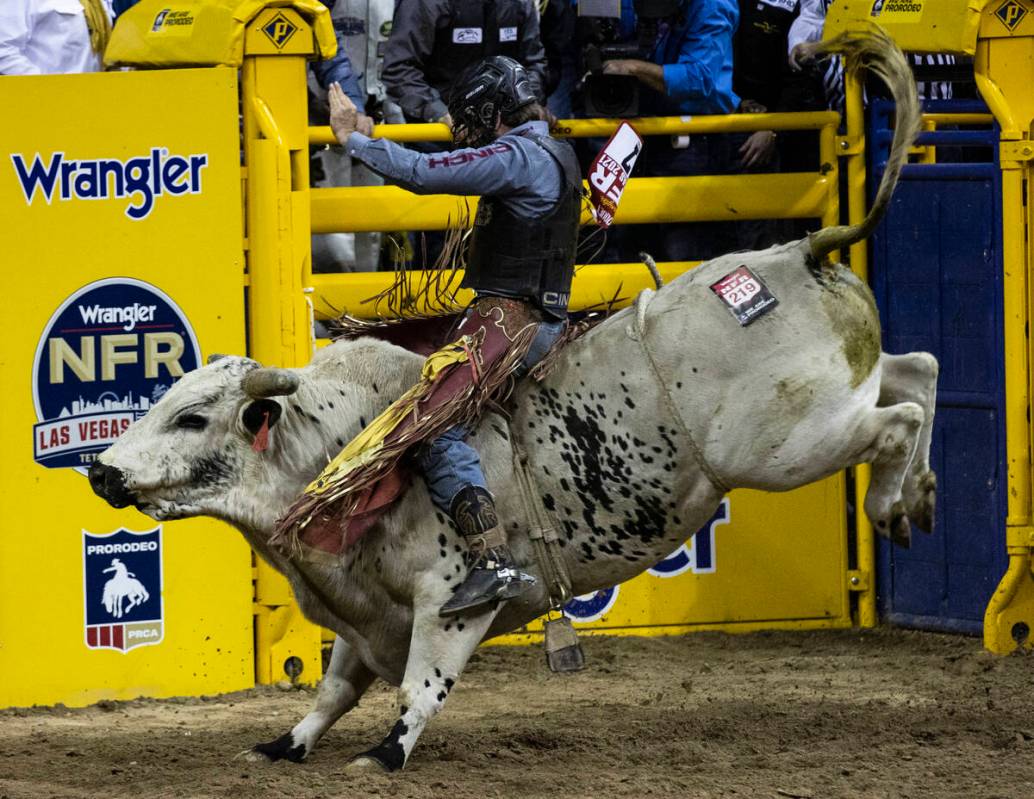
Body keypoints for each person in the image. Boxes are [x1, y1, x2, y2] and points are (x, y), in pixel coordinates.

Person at [323, 56, 582, 615]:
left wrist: (354, 141)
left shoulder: (517, 157)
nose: (460, 124)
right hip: (538, 315)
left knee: (432, 427)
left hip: (509, 319)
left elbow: (425, 174)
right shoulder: (557, 152)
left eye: (469, 116)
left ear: (492, 112)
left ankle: (492, 561)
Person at [597, 0, 741, 261]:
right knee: (627, 243)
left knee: (684, 247)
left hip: (692, 138)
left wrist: (632, 67)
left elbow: (700, 78)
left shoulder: (712, 5)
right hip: (634, 132)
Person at [381, 0, 549, 127]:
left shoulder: (519, 4)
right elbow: (400, 68)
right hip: (440, 133)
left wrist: (526, 102)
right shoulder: (427, 4)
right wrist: (438, 112)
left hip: (503, 129)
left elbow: (533, 62)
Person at [0, 0, 113, 75]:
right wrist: (46, 88)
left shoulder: (99, 2)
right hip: (44, 102)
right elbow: (4, 49)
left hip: (96, 97)